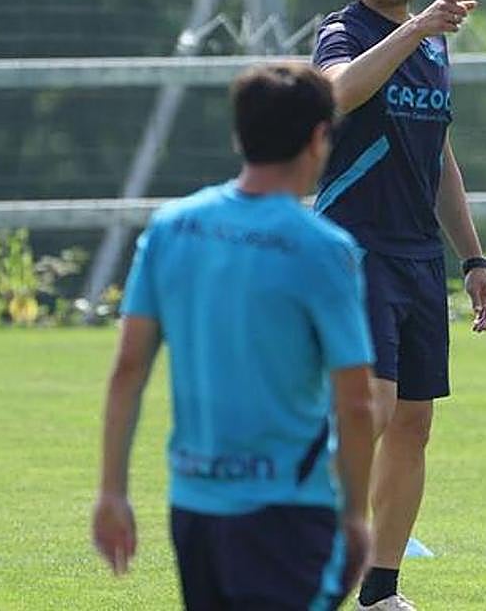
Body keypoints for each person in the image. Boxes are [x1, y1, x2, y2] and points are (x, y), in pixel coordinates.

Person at [91, 62, 376, 610]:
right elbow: (357, 402)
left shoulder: (172, 227)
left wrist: (112, 492)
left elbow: (129, 369)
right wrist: (356, 515)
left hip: (195, 507)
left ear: (238, 135)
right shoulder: (323, 248)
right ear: (320, 138)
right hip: (288, 510)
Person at [312, 0, 486, 611]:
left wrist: (473, 259)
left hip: (418, 256)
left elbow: (439, 157)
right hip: (356, 247)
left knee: (415, 421)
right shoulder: (344, 32)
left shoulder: (432, 46)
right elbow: (335, 93)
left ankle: (380, 591)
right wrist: (415, 29)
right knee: (375, 410)